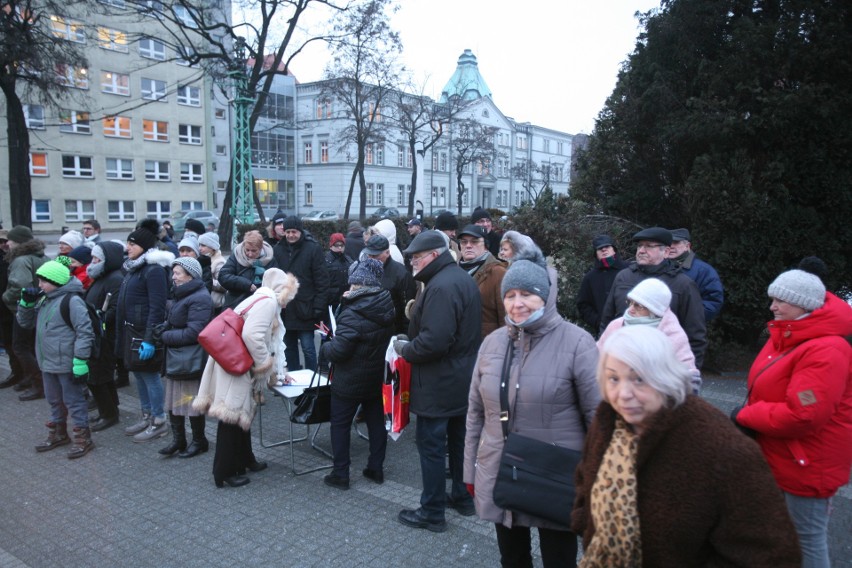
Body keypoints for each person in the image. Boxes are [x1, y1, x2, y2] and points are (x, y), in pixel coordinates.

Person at [573, 326, 801, 567]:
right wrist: (584, 519)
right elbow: (585, 474)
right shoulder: (609, 419)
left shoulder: (724, 450)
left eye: (638, 378)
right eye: (613, 378)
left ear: (665, 375)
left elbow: (773, 555)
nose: (623, 394)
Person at [465, 260, 600, 567]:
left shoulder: (577, 343)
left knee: (559, 560)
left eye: (526, 294)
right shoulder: (492, 343)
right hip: (501, 471)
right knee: (512, 559)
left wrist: (597, 479)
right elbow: (475, 413)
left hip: (556, 478)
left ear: (545, 296)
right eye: (510, 295)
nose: (517, 303)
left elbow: (599, 419)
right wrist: (469, 471)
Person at [732, 269, 852, 568]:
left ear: (804, 305)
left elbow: (804, 413)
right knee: (777, 534)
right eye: (772, 299)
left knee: (806, 540)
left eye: (781, 300)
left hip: (807, 462)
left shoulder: (827, 349)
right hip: (781, 453)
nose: (773, 306)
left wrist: (747, 415)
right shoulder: (786, 334)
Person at [394, 230, 482, 533]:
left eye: (416, 258)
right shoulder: (458, 277)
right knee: (458, 442)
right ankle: (461, 496)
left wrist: (406, 348)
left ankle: (432, 511)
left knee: (431, 445)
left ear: (433, 255)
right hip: (460, 378)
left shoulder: (442, 285)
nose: (412, 263)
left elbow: (435, 341)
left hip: (439, 381)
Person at [192, 268, 299, 488]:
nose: (288, 303)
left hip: (234, 361)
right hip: (237, 365)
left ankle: (244, 460)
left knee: (241, 415)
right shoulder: (269, 303)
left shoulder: (261, 297)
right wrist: (265, 367)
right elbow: (253, 336)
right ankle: (223, 472)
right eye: (288, 297)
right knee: (231, 417)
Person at [320, 258, 394, 490]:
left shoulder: (353, 312)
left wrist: (325, 346)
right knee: (376, 423)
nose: (348, 288)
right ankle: (376, 468)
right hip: (375, 376)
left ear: (359, 285)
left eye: (352, 284)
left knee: (340, 425)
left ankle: (341, 473)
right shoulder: (386, 303)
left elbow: (340, 351)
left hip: (350, 380)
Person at [599, 227, 707, 369]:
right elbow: (607, 321)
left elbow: (695, 336)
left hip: (663, 371)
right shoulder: (623, 277)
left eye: (649, 246)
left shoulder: (683, 284)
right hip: (622, 365)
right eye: (640, 246)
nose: (641, 250)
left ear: (666, 252)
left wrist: (687, 378)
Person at [19, 261, 96, 459]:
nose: (40, 284)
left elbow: (85, 332)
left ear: (56, 281)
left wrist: (80, 360)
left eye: (44, 280)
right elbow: (25, 323)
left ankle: (83, 436)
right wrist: (26, 304)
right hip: (47, 361)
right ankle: (60, 433)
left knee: (74, 400)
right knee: (54, 399)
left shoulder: (72, 301)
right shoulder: (44, 298)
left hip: (66, 362)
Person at [116, 220, 174, 442]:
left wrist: (150, 339)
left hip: (144, 333)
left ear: (144, 246)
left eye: (132, 244)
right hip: (131, 331)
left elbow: (157, 307)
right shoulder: (134, 268)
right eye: (127, 243)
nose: (127, 248)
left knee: (149, 375)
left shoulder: (154, 270)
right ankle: (147, 414)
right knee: (138, 374)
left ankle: (159, 421)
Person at [598, 278, 701, 393]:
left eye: (639, 306)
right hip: (614, 393)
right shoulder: (616, 325)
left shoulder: (672, 334)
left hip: (656, 398)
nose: (631, 309)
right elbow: (596, 356)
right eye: (630, 302)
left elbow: (688, 374)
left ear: (655, 310)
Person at [158, 257, 213, 459]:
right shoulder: (183, 293)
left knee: (191, 401)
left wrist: (164, 336)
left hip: (189, 359)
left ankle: (199, 441)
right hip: (177, 357)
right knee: (174, 400)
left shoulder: (200, 297)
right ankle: (178, 440)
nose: (174, 277)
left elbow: (194, 333)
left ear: (190, 275)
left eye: (178, 273)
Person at [273, 216, 329, 372]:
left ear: (300, 231)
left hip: (307, 307)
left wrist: (318, 307)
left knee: (308, 348)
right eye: (288, 231)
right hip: (286, 307)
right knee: (289, 348)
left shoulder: (313, 249)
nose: (291, 235)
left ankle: (311, 377)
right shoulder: (278, 249)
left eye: (294, 232)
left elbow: (322, 280)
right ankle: (294, 376)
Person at [2, 225, 48, 400]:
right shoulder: (40, 256)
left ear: (19, 242)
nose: (7, 244)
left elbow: (21, 284)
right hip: (40, 306)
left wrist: (6, 297)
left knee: (20, 347)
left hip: (25, 308)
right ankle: (36, 380)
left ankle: (39, 384)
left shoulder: (21, 260)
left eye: (10, 241)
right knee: (33, 347)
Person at [85, 241, 125, 432]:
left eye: (96, 258)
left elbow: (116, 309)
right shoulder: (103, 276)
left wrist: (98, 321)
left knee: (98, 377)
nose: (92, 262)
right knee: (102, 377)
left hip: (104, 338)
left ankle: (109, 414)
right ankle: (108, 410)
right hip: (97, 334)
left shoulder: (115, 278)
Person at [457, 224, 506, 339]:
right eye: (464, 242)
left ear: (486, 246)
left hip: (487, 345)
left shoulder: (498, 273)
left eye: (474, 241)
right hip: (459, 346)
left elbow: (506, 316)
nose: (468, 246)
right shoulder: (454, 272)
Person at [667, 228, 724, 321]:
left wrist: (686, 318)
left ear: (687, 246)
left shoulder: (704, 271)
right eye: (668, 243)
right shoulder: (657, 266)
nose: (671, 246)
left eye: (676, 242)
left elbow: (713, 303)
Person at [363, 234, 416, 335]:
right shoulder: (366, 269)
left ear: (387, 252)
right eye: (369, 255)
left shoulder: (401, 274)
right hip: (371, 331)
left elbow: (408, 311)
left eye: (375, 255)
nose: (371, 258)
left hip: (393, 331)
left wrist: (404, 336)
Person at [576, 235, 628, 334]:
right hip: (606, 331)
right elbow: (583, 305)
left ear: (614, 250)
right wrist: (598, 322)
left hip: (632, 327)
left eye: (607, 247)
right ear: (596, 254)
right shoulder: (590, 277)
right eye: (600, 249)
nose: (604, 250)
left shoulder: (630, 270)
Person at [218, 230, 277, 310]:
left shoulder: (270, 260)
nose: (250, 254)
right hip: (236, 304)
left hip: (260, 306)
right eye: (247, 250)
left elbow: (274, 283)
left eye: (254, 251)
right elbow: (223, 276)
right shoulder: (236, 256)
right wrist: (245, 284)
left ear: (261, 248)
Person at [499, 230, 558, 307]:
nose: (501, 253)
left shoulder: (523, 271)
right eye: (502, 249)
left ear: (517, 251)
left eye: (505, 249)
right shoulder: (513, 267)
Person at [324, 233, 353, 313]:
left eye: (342, 245)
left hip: (347, 299)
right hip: (331, 301)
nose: (340, 247)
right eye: (337, 245)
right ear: (331, 246)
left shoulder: (348, 259)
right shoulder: (325, 261)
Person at [198, 232, 226, 312]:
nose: (200, 248)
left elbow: (223, 284)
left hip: (215, 303)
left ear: (212, 247)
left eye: (203, 245)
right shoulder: (203, 260)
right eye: (199, 245)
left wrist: (208, 281)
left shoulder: (219, 262)